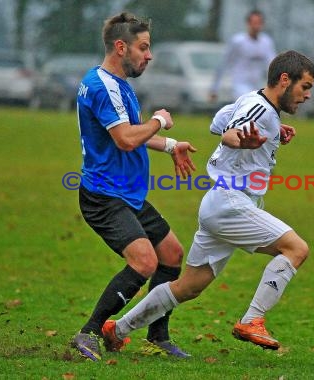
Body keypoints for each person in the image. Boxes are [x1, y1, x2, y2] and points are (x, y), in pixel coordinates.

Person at [101, 50, 314, 353]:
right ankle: (252, 320)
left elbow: (217, 122)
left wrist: (272, 132)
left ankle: (117, 328)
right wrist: (242, 138)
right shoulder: (258, 108)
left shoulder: (253, 101)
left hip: (219, 203)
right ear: (284, 80)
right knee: (296, 249)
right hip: (232, 203)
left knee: (188, 286)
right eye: (305, 87)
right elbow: (227, 134)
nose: (307, 95)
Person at [71, 12, 197, 361]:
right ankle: (88, 333)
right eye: (144, 47)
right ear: (121, 46)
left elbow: (128, 132)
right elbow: (127, 139)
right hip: (104, 195)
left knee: (171, 254)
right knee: (144, 262)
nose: (149, 55)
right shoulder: (101, 87)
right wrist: (160, 120)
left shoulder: (115, 82)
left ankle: (158, 335)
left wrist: (171, 145)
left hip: (126, 192)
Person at [210, 9, 276, 102]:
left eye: (259, 23)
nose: (256, 26)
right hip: (239, 85)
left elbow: (272, 64)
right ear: (248, 24)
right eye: (254, 22)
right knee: (248, 104)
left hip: (257, 85)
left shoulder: (266, 42)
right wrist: (214, 88)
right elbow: (224, 63)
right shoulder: (237, 41)